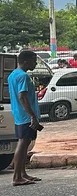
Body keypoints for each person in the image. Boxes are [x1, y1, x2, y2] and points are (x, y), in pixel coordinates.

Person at [7, 50, 42, 186]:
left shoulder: (13, 75)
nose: (35, 63)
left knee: (24, 144)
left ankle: (23, 173)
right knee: (22, 144)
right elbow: (22, 96)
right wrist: (32, 115)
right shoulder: (23, 76)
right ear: (26, 61)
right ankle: (17, 177)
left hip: (19, 115)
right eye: (34, 60)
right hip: (26, 116)